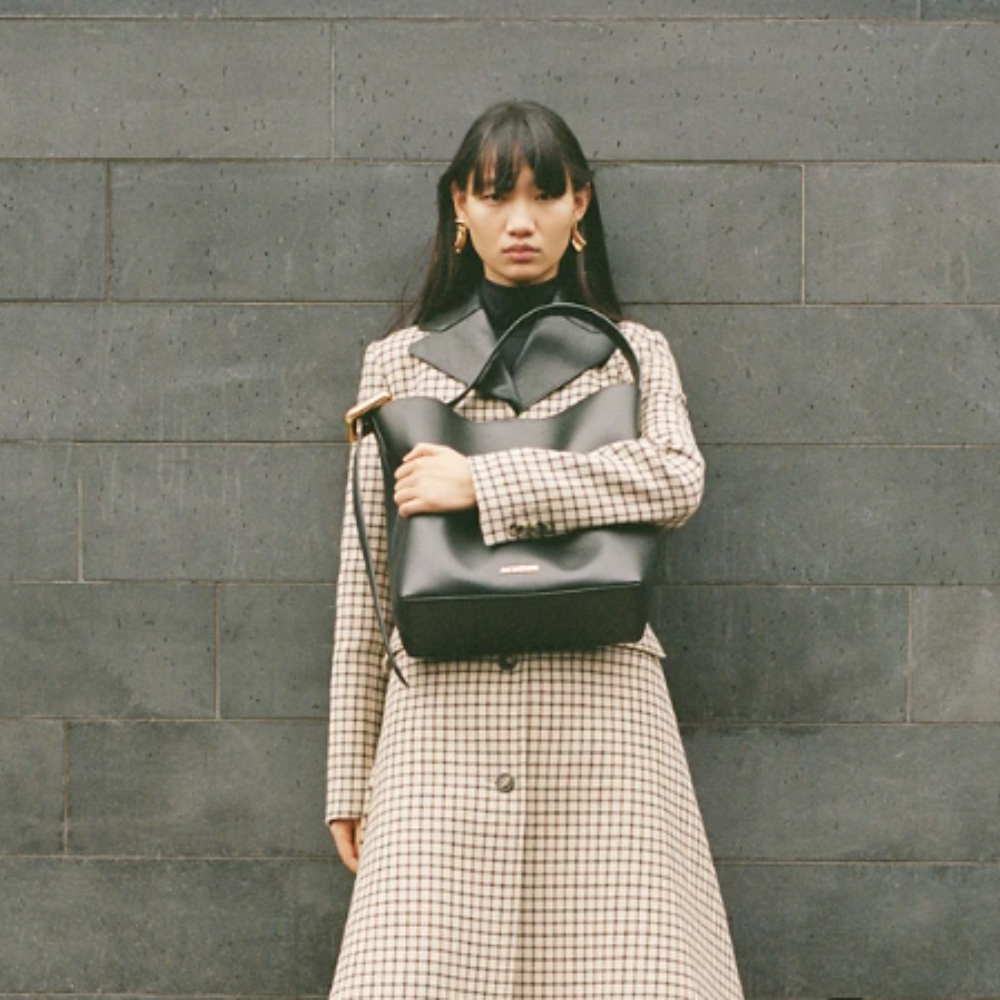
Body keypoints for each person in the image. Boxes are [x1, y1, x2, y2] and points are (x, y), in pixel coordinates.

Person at [326, 100, 744, 999]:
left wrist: (485, 483)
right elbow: (365, 583)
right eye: (496, 195)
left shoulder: (632, 355)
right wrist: (349, 777)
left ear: (580, 207)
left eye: (546, 195)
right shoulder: (397, 364)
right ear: (459, 210)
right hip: (440, 737)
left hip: (605, 732)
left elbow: (675, 479)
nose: (522, 220)